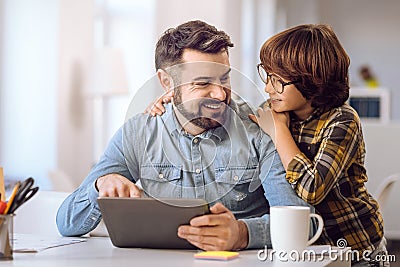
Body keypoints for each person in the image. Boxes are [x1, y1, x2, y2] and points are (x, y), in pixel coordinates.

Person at [56, 20, 309, 251]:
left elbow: (303, 222)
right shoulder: (138, 133)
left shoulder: (260, 129)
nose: (220, 95)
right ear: (167, 83)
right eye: (202, 83)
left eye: (224, 78)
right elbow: (67, 223)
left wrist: (243, 234)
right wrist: (102, 184)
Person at [249, 24, 388, 266]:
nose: (268, 88)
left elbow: (313, 189)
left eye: (277, 80)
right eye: (267, 76)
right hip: (307, 250)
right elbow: (235, 122)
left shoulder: (342, 120)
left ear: (312, 82)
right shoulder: (278, 108)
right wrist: (171, 104)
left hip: (355, 246)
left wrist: (280, 131)